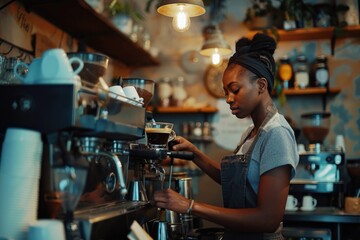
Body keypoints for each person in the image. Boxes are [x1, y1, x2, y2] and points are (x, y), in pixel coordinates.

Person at [152, 33, 299, 239]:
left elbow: (268, 218)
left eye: (235, 89)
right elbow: (234, 181)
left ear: (261, 85)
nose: (229, 99)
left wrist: (189, 205)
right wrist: (194, 154)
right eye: (226, 92)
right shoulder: (251, 133)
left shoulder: (276, 133)